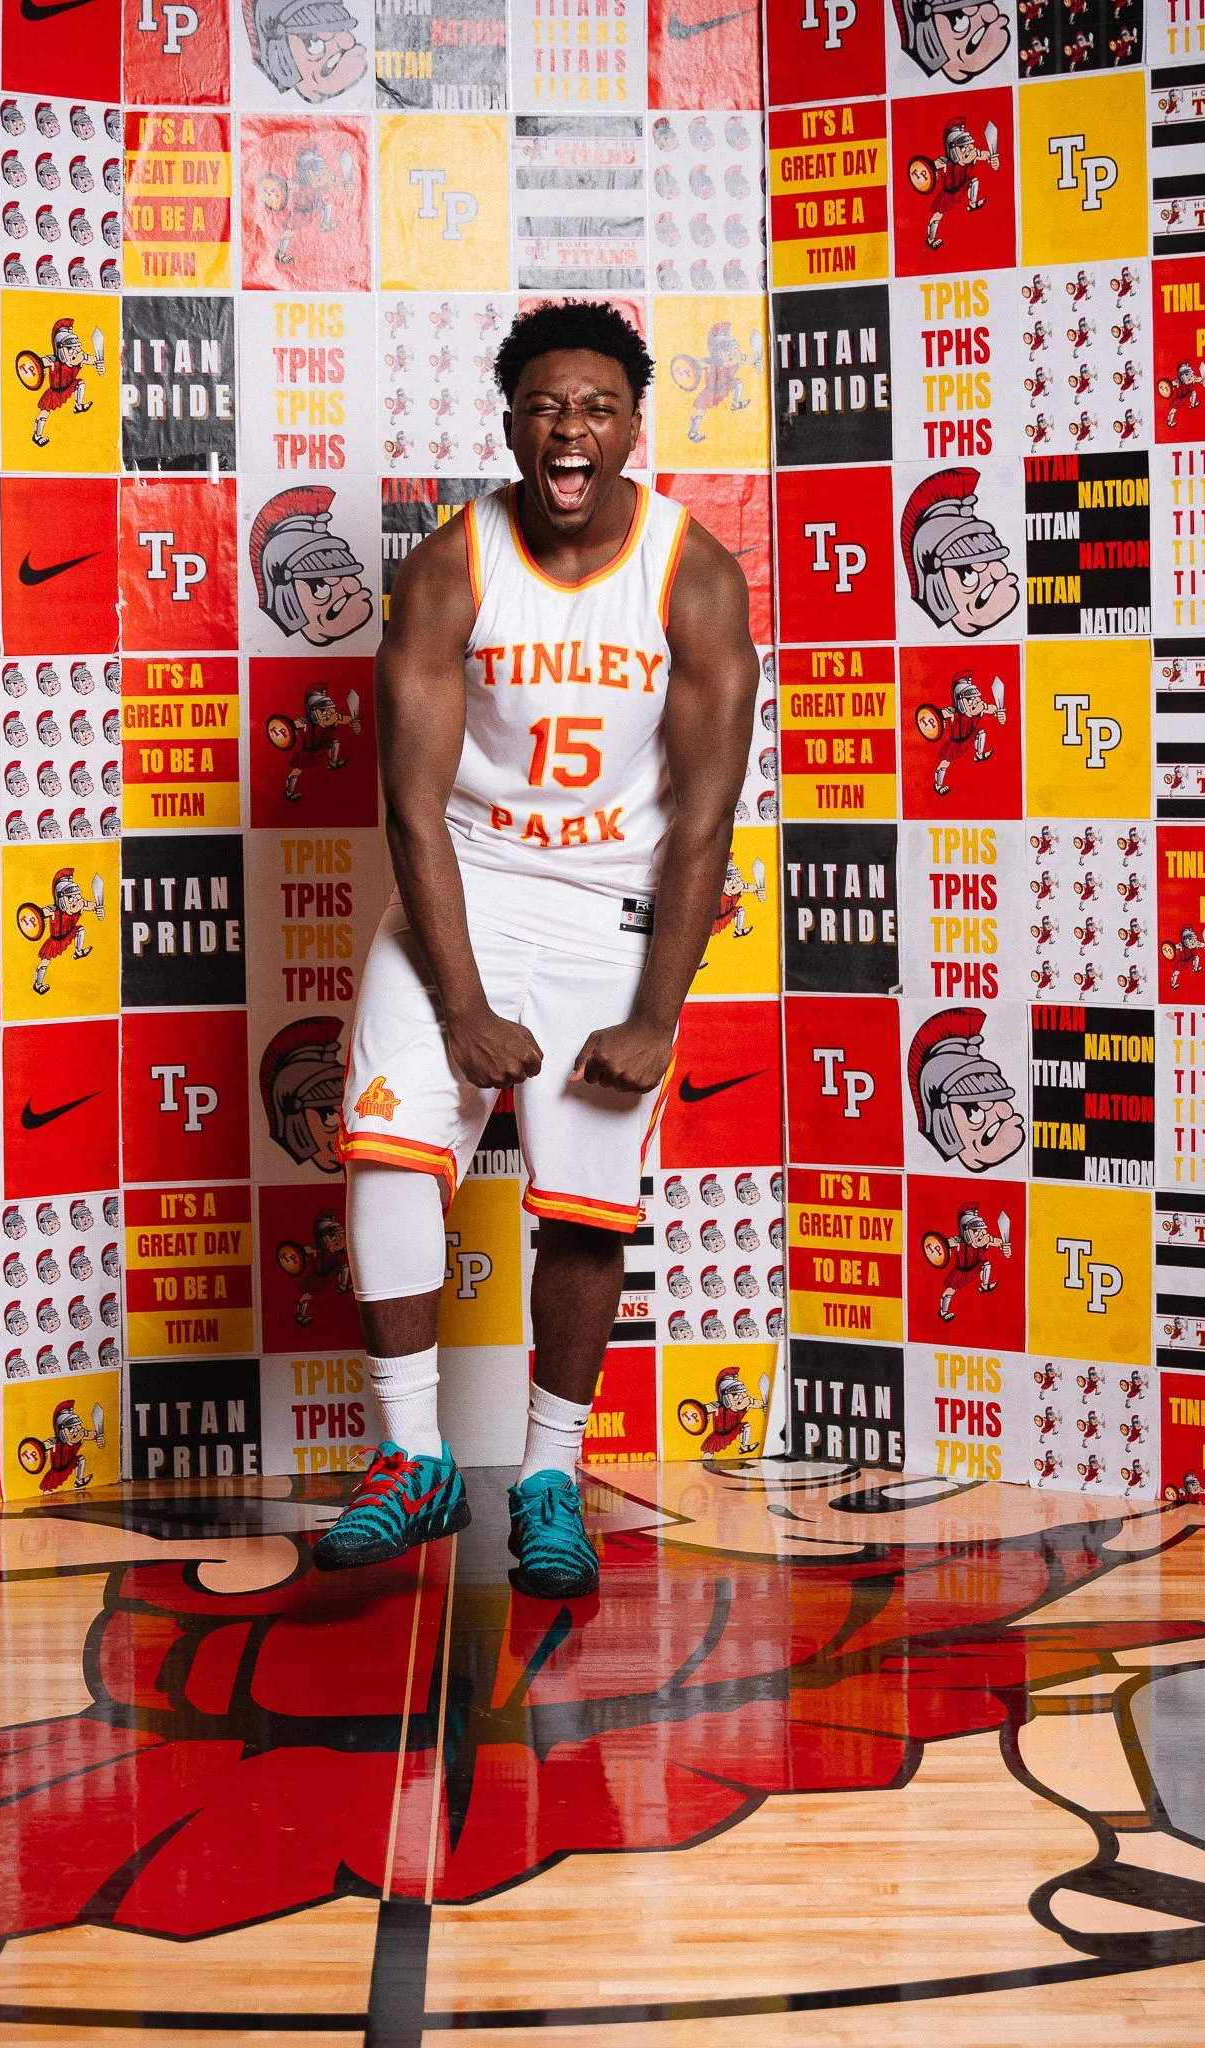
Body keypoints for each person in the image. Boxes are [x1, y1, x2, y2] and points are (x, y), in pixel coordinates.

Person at [318, 299, 758, 1598]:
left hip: (611, 910)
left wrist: (655, 1014)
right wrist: (460, 1005)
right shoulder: (453, 566)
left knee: (583, 1198)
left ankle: (551, 1475)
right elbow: (410, 806)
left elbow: (704, 819)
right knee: (387, 1148)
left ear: (632, 425)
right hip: (461, 891)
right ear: (511, 425)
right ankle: (414, 1460)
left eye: (597, 406)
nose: (571, 428)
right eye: (546, 406)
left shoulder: (693, 575)